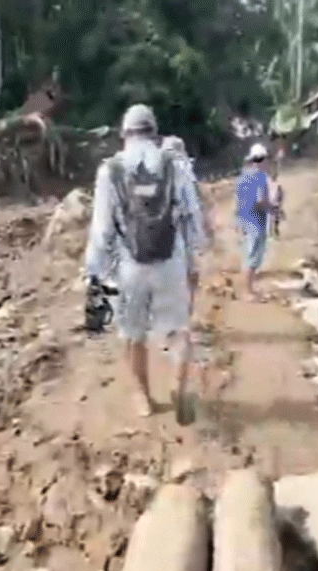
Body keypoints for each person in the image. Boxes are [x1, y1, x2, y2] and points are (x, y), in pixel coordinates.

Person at [84, 105, 207, 419]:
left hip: (130, 267)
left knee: (133, 334)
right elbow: (192, 215)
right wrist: (194, 258)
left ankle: (143, 398)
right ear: (154, 131)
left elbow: (102, 229)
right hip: (171, 261)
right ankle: (179, 387)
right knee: (178, 330)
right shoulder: (175, 165)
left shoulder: (110, 170)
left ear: (124, 133)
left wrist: (94, 274)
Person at [160, 135, 213, 314]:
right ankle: (184, 319)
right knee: (189, 274)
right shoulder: (183, 168)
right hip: (179, 229)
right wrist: (202, 236)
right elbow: (193, 207)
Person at [234, 143, 276, 299]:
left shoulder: (241, 177)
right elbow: (260, 200)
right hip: (256, 220)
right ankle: (248, 292)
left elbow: (239, 201)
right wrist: (272, 208)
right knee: (253, 257)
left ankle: (249, 289)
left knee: (247, 254)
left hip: (244, 219)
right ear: (262, 160)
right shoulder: (260, 177)